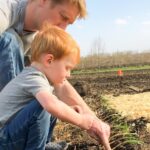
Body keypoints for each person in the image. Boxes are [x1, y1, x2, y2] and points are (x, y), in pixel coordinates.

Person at [0, 0, 111, 149]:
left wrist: (93, 121)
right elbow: (49, 103)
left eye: (69, 23)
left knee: (48, 100)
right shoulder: (4, 11)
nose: (63, 29)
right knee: (9, 40)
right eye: (63, 17)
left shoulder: (40, 41)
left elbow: (58, 82)